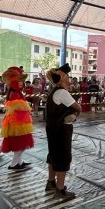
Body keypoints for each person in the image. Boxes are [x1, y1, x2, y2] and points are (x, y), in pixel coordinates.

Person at [45, 64, 82, 200]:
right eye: (68, 78)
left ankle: (51, 182)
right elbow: (78, 108)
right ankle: (60, 190)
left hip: (52, 128)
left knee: (53, 154)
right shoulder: (62, 93)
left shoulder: (54, 91)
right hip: (61, 129)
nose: (70, 80)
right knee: (62, 157)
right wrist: (74, 115)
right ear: (64, 78)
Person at [0, 66, 34, 171]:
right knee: (20, 143)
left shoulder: (14, 92)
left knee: (20, 143)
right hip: (17, 123)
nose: (21, 83)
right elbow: (19, 107)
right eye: (19, 81)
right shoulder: (14, 93)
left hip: (18, 122)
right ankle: (14, 164)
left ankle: (19, 162)